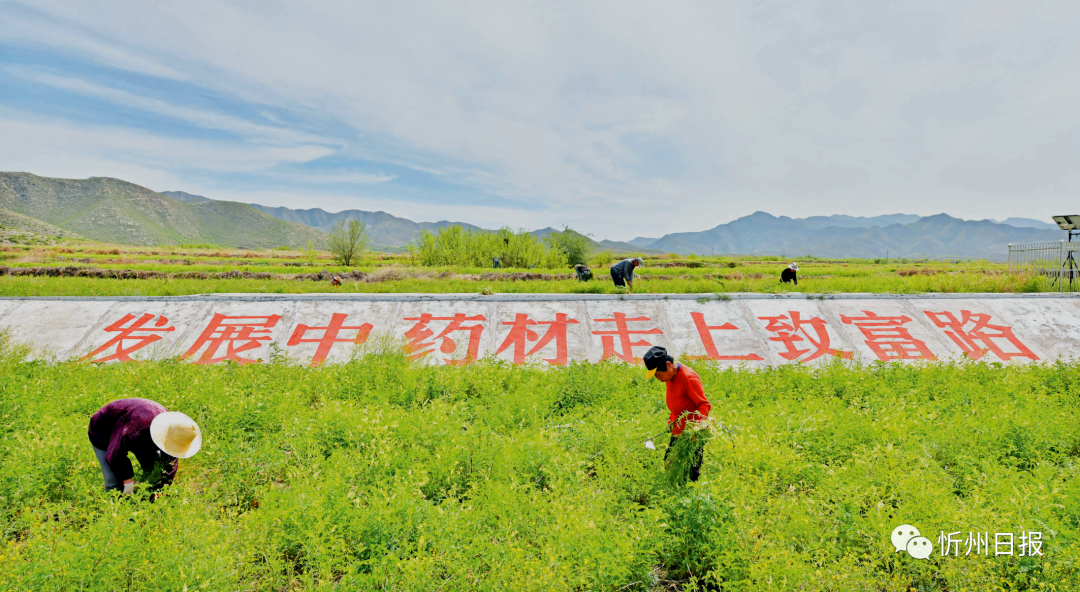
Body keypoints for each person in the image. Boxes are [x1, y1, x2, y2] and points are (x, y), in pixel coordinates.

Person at [87, 398, 202, 495]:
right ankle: (113, 508)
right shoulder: (135, 430)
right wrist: (128, 481)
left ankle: (144, 495)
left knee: (153, 469)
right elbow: (115, 455)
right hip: (103, 431)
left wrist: (161, 488)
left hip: (139, 428)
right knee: (113, 481)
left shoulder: (176, 431)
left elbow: (170, 464)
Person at [643, 345, 711, 482]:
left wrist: (696, 430)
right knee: (670, 461)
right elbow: (678, 404)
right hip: (678, 428)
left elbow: (703, 405)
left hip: (691, 434)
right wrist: (671, 420)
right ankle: (673, 487)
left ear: (668, 364)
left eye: (658, 374)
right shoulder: (670, 376)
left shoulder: (688, 378)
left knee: (691, 468)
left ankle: (690, 493)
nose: (657, 378)